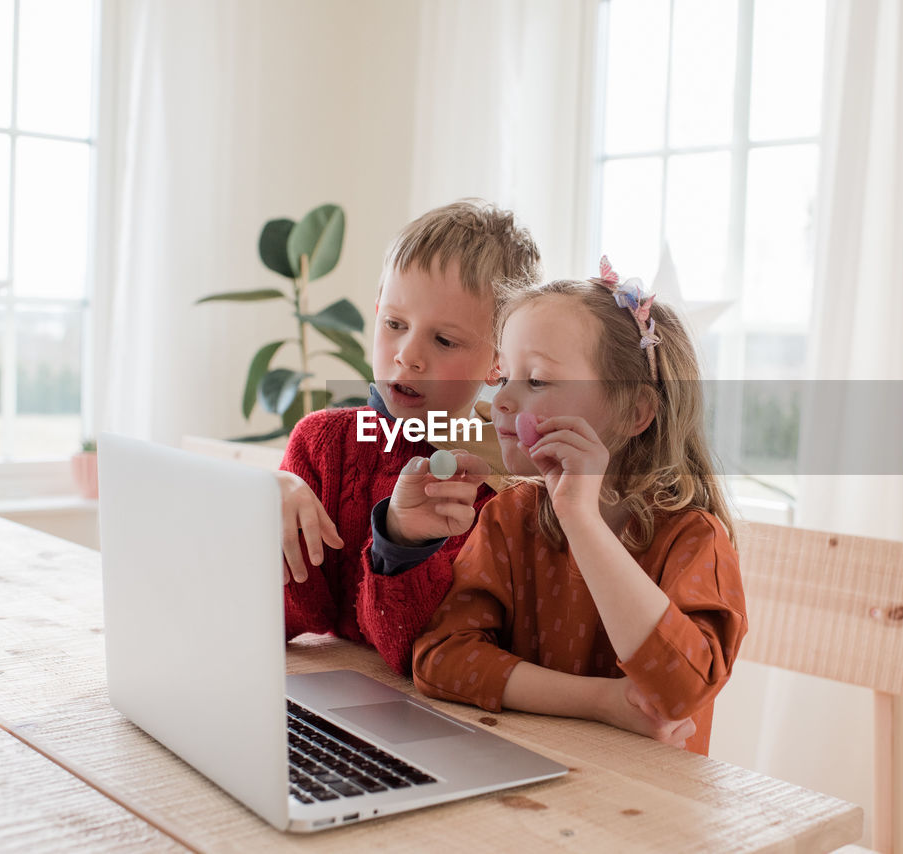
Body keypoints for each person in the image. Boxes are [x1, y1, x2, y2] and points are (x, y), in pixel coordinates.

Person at [412, 259, 747, 755]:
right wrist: (600, 702)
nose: (500, 400)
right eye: (504, 375)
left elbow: (679, 694)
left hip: (649, 807)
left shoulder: (695, 539)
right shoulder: (509, 517)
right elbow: (440, 659)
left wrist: (581, 519)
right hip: (538, 787)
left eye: (539, 381)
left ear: (634, 412)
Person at [276, 199, 541, 674]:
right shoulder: (321, 442)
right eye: (394, 324)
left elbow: (416, 651)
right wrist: (257, 519)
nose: (408, 356)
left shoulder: (492, 482)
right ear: (376, 312)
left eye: (444, 340)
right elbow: (290, 617)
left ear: (499, 360)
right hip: (323, 688)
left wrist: (400, 541)